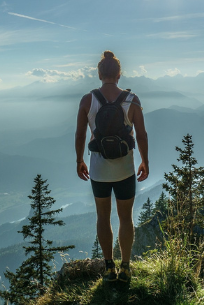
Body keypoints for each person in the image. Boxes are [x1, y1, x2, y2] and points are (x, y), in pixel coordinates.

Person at [75, 50, 149, 284]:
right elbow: (142, 134)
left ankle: (109, 268)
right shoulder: (132, 100)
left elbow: (80, 133)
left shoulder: (88, 100)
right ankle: (125, 267)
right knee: (125, 218)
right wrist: (145, 161)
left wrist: (79, 160)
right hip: (125, 169)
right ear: (119, 74)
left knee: (103, 217)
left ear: (99, 74)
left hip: (99, 170)